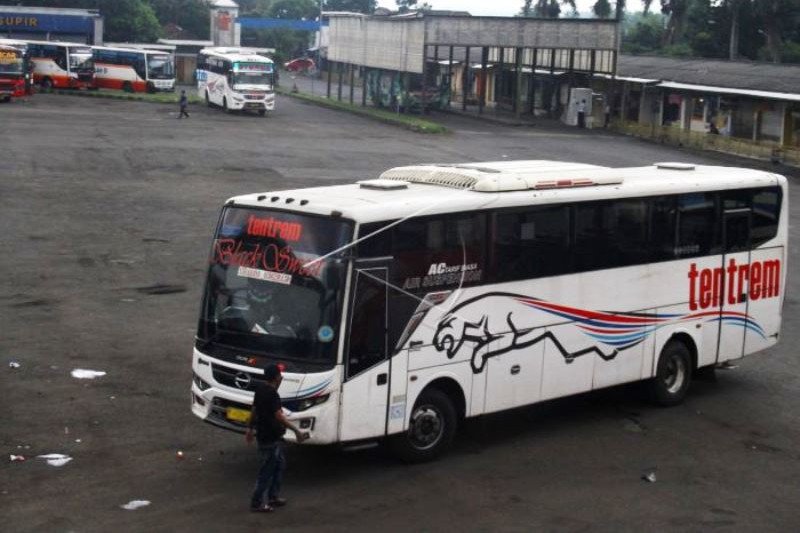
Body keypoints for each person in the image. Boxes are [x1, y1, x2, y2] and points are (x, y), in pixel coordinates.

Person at [245, 364, 308, 513]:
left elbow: (254, 411)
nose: (282, 378)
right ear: (276, 378)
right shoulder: (272, 394)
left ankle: (273, 496)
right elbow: (278, 415)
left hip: (266, 436)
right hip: (269, 438)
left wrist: (249, 428)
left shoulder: (260, 390)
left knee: (279, 464)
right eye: (280, 376)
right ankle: (257, 502)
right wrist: (296, 431)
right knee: (266, 471)